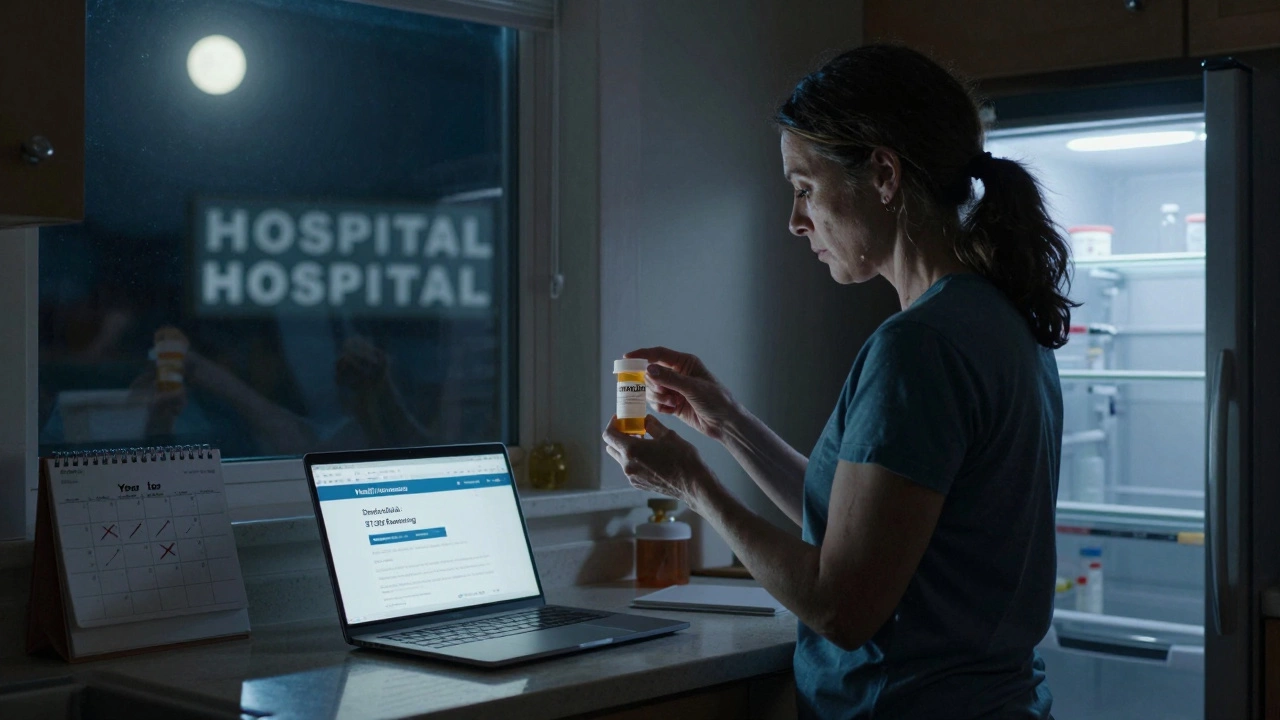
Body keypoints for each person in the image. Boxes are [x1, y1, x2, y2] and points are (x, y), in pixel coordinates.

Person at [601, 44, 1073, 719]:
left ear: (882, 174)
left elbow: (840, 605)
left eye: (804, 188)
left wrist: (691, 484)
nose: (796, 222)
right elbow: (863, 531)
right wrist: (728, 422)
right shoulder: (993, 319)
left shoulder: (919, 347)